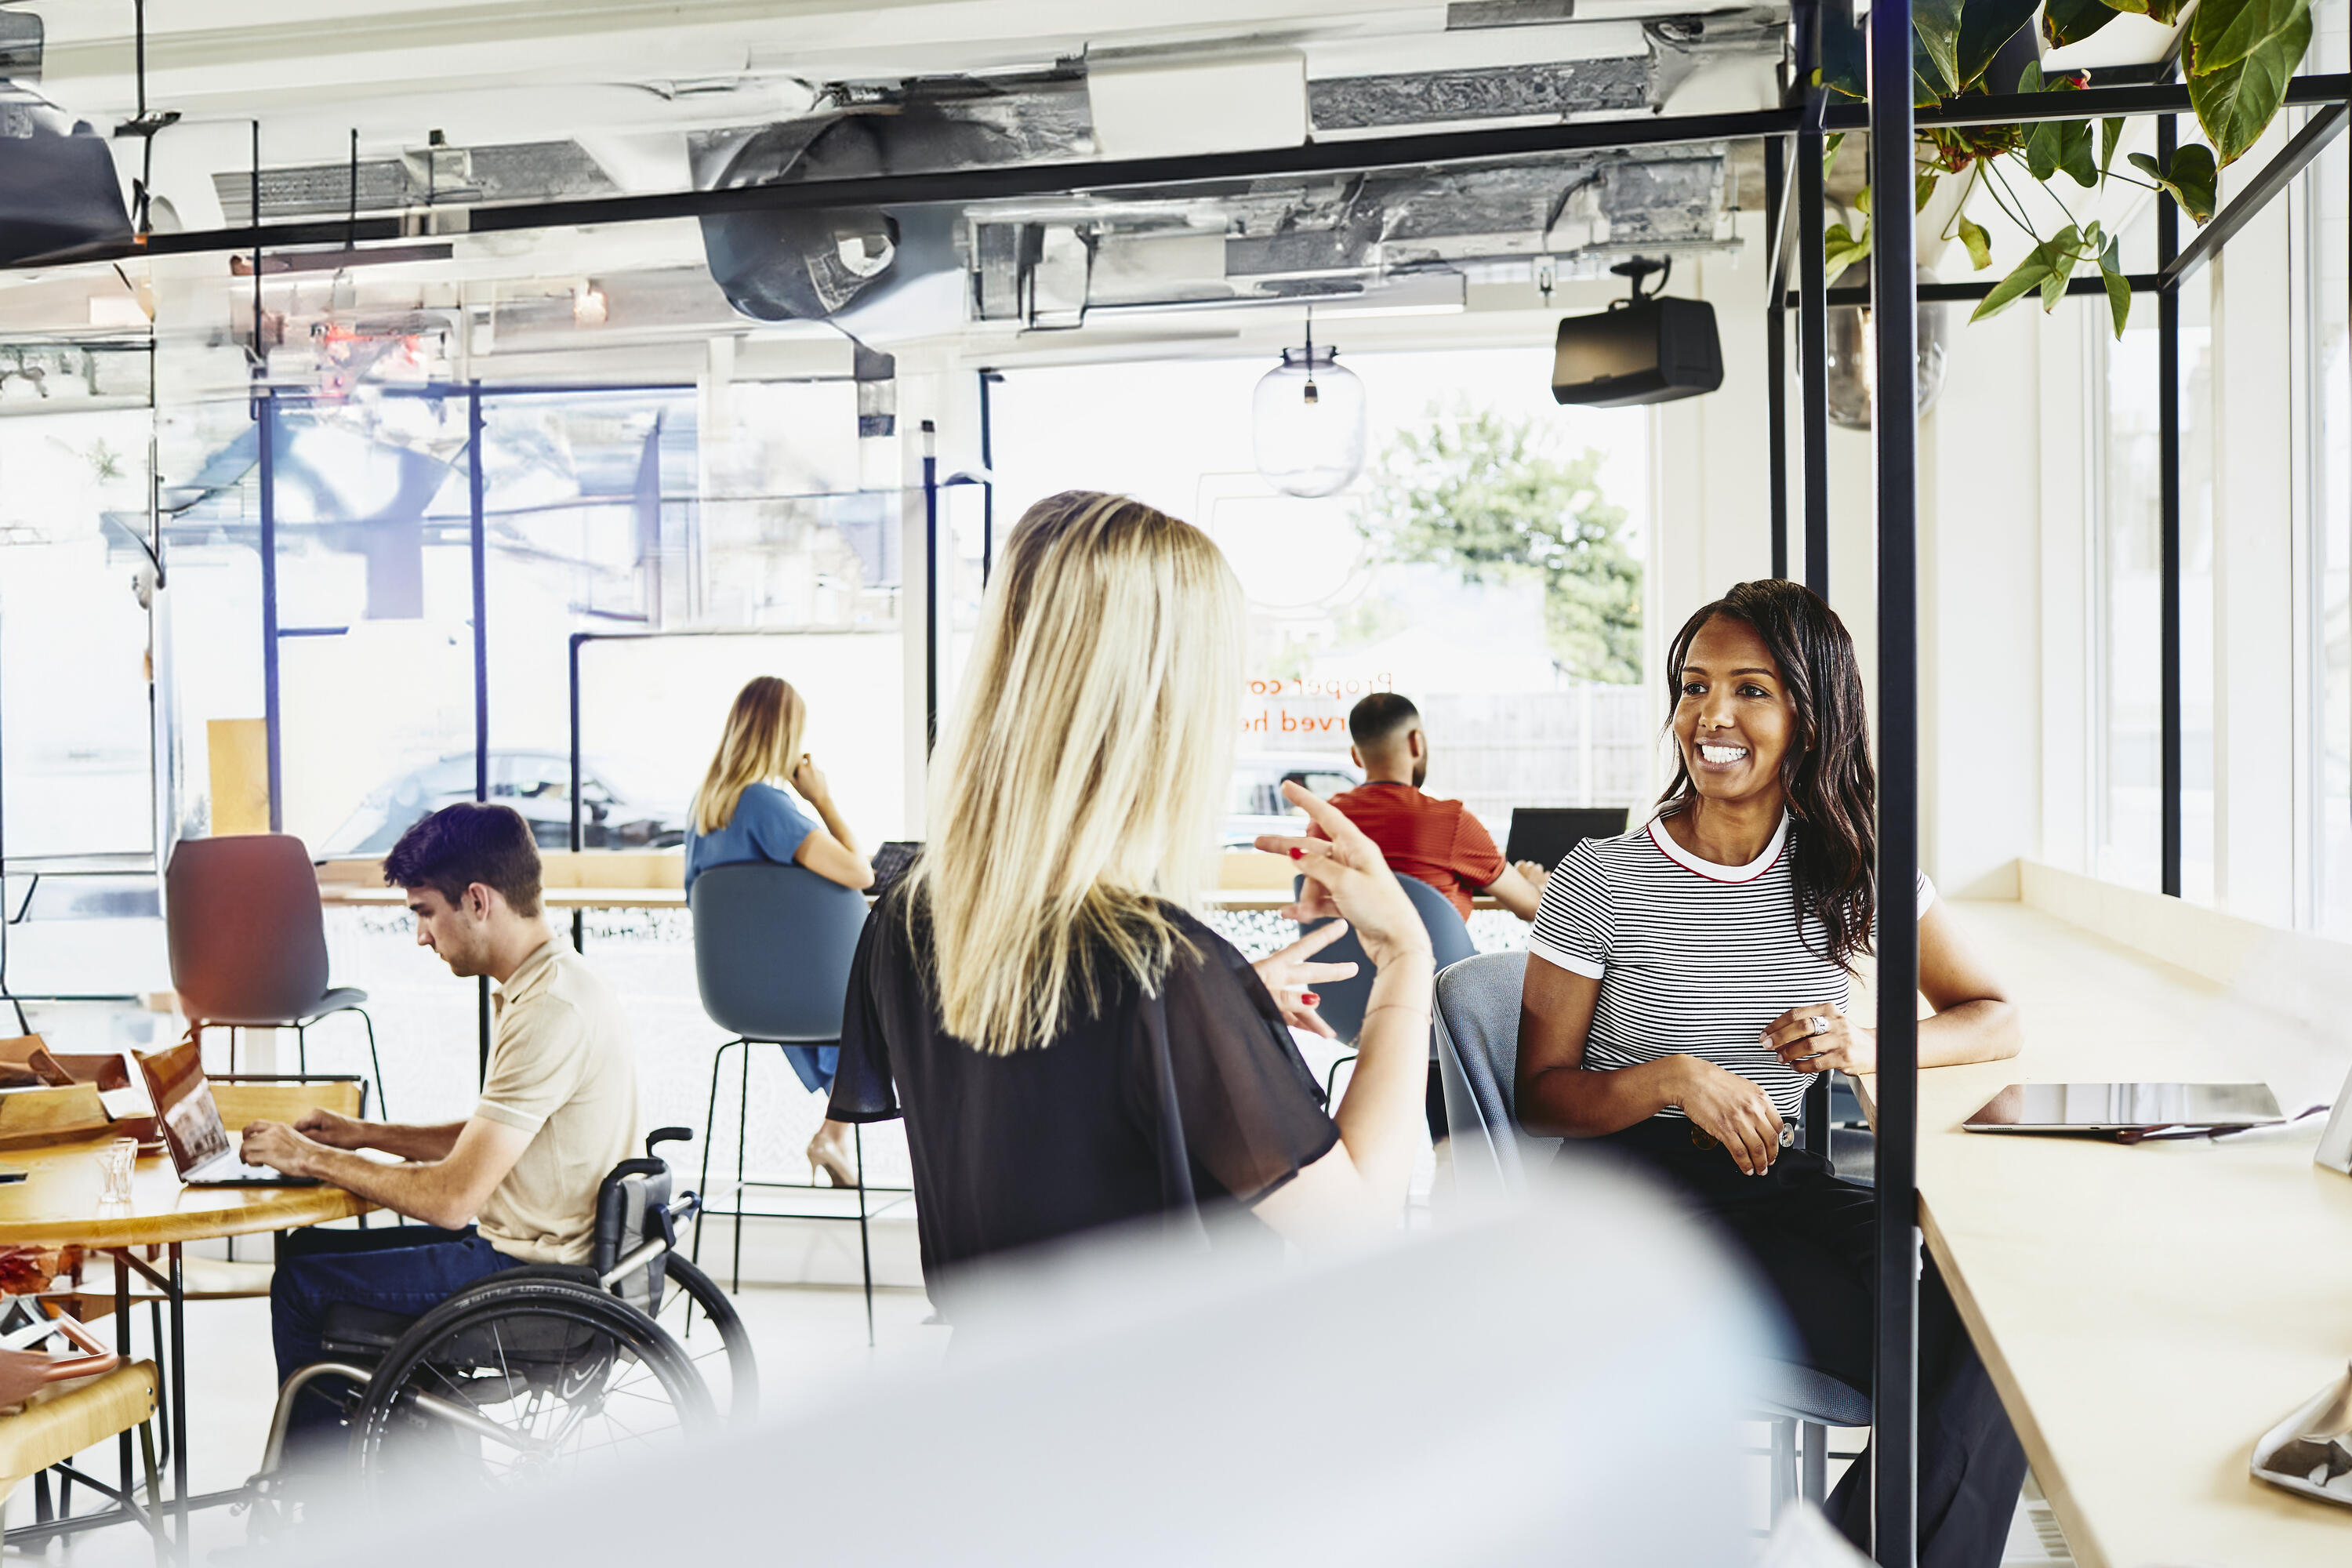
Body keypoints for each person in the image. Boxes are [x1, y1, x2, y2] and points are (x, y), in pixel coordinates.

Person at [1512, 579, 2027, 1568]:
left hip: (1790, 1173)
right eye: (1695, 686)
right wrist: (1669, 1078)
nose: (1713, 715)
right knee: (1948, 1382)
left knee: (1989, 1342)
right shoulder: (1599, 875)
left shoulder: (1857, 863)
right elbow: (1541, 1094)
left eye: (1752, 689)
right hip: (1637, 1195)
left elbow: (1993, 1013)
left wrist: (1866, 1041)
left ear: (1809, 716)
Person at [826, 491, 1432, 1317]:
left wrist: (1227, 1007)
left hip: (994, 1411)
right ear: (1168, 708)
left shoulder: (907, 915)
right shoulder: (1160, 971)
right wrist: (1405, 955)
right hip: (1162, 1427)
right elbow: (1356, 1220)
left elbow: (1042, 1087)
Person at [240, 803, 639, 1438]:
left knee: (302, 1284)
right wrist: (367, 1135)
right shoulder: (556, 982)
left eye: (425, 913)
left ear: (477, 901)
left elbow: (454, 1199)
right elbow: (498, 1134)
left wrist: (310, 1157)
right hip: (541, 1253)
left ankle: (317, 1502)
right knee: (310, 1250)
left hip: (531, 1275)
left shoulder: (549, 1010)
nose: (422, 936)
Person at [684, 675, 874, 1188]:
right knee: (879, 1000)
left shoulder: (702, 811)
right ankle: (835, 1134)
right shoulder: (765, 807)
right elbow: (861, 873)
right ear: (785, 737)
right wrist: (822, 799)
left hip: (737, 997)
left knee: (860, 1005)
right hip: (811, 997)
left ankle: (836, 1135)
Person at [1325, 691, 1549, 923]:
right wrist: (1534, 883)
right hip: (1436, 961)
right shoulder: (1451, 822)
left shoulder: (1325, 821)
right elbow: (1533, 908)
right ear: (1417, 742)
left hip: (1339, 960)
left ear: (1356, 756)